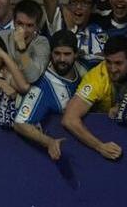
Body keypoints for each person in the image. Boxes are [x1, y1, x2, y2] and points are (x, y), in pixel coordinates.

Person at [14, 32, 90, 161]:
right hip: (67, 153)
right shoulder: (43, 86)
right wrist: (49, 142)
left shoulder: (85, 66)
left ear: (76, 54)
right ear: (50, 54)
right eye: (57, 53)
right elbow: (20, 123)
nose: (61, 59)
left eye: (67, 54)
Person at [61, 35, 127, 161]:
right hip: (105, 132)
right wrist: (100, 147)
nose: (112, 69)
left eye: (118, 63)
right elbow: (69, 119)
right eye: (108, 62)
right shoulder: (96, 79)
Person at [42, 0, 108, 66]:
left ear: (93, 8)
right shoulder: (58, 23)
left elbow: (104, 59)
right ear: (69, 4)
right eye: (74, 1)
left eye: (84, 3)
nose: (78, 7)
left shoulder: (97, 31)